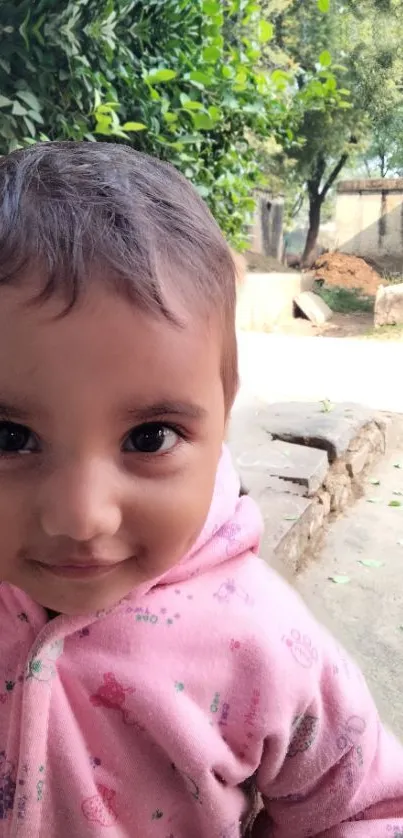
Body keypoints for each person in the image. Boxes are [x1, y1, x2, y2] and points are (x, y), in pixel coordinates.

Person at [0, 142, 401, 838]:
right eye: (9, 439)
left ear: (222, 411)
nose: (80, 517)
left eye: (149, 437)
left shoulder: (263, 645)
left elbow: (369, 809)